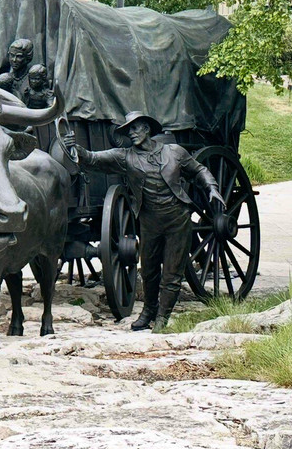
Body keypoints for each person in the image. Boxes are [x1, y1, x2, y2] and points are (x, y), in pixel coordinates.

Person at [63, 112, 224, 332]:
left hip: (177, 219)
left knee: (171, 273)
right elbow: (92, 159)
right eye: (128, 130)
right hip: (149, 222)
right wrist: (74, 149)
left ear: (147, 129)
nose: (131, 133)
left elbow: (199, 170)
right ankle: (148, 311)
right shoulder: (125, 157)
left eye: (135, 128)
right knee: (148, 271)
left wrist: (212, 189)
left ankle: (162, 318)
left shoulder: (174, 152)